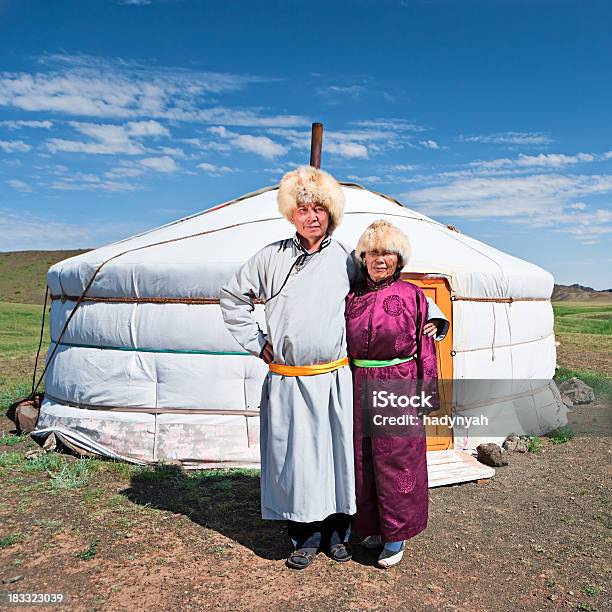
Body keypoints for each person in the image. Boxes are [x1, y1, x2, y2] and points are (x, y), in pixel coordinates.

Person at [220, 167, 446, 570]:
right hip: (290, 380)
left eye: (320, 209)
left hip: (339, 378)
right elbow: (232, 297)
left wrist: (433, 313)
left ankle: (340, 532)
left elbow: (388, 286)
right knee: (299, 459)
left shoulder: (347, 258)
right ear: (291, 213)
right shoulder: (270, 258)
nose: (312, 216)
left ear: (332, 214)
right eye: (304, 208)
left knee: (344, 458)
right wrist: (258, 344)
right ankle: (304, 535)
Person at [345, 219, 439, 568]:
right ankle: (371, 527)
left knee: (396, 460)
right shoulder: (353, 296)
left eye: (387, 253)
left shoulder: (414, 295)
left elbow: (426, 347)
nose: (380, 260)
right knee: (362, 458)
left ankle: (396, 536)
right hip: (357, 382)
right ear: (363, 257)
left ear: (399, 259)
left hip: (398, 380)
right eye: (373, 253)